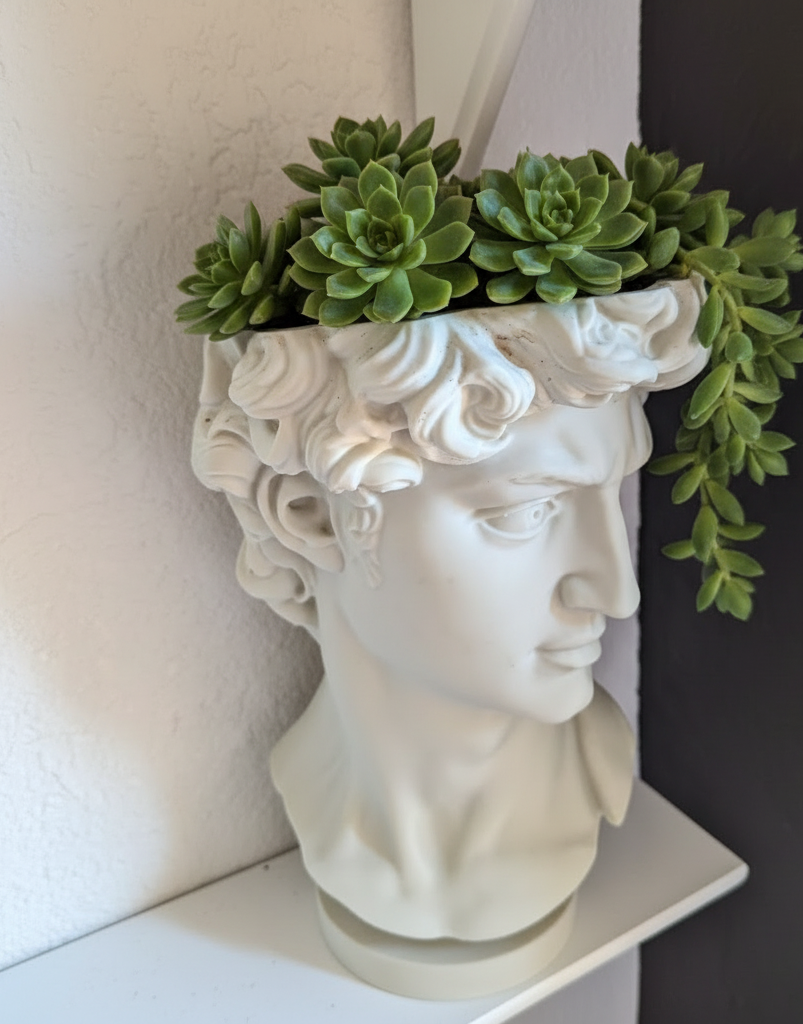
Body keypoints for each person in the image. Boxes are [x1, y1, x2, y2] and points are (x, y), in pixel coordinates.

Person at [191, 276, 706, 950]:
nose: (615, 593)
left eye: (614, 493)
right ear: (315, 516)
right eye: (525, 512)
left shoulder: (596, 759)